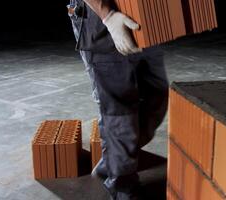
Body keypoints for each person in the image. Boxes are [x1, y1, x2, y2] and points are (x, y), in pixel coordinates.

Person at [67, 0, 169, 199]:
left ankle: (111, 162)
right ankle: (122, 184)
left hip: (140, 17)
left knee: (156, 96)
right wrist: (108, 16)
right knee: (120, 111)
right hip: (101, 21)